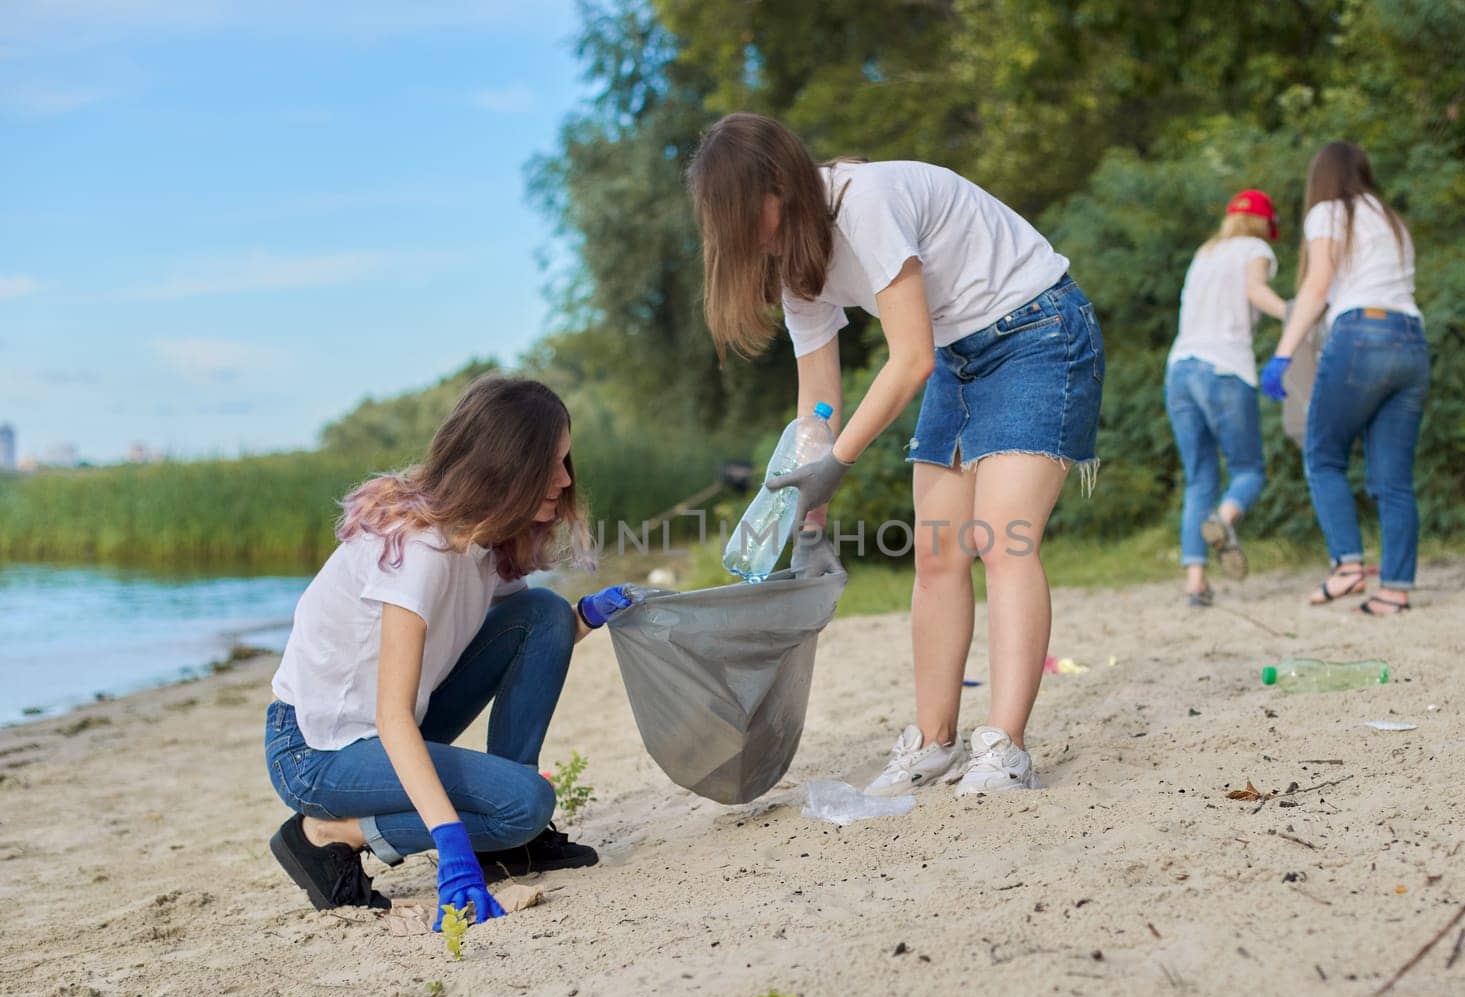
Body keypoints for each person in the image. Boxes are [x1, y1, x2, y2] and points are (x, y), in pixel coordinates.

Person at [687, 113, 1103, 797]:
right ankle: (934, 741)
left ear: (779, 187)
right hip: (958, 360)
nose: (739, 236)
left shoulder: (863, 203)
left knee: (1005, 539)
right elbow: (818, 399)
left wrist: (837, 465)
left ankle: (1004, 746)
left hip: (1036, 333)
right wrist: (805, 503)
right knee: (938, 555)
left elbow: (909, 359)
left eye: (741, 214)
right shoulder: (794, 267)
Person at [263, 375, 633, 926]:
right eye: (550, 463)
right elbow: (392, 717)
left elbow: (527, 639)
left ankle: (508, 839)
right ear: (506, 466)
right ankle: (329, 834)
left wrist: (586, 618)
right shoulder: (423, 551)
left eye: (565, 460)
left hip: (388, 728)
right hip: (317, 753)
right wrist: (453, 844)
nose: (563, 479)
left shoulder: (481, 541)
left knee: (544, 612)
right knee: (526, 804)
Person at [1262, 142, 1427, 615]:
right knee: (1393, 478)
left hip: (1360, 336)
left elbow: (1317, 287)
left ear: (1323, 177)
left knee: (1323, 453)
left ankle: (1348, 566)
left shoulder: (1329, 213)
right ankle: (1394, 590)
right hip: (1412, 340)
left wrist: (1282, 355)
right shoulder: (1391, 219)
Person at [1164, 189, 1287, 606]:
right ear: (1263, 226)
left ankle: (1195, 583)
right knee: (1249, 471)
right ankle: (1223, 518)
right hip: (1225, 368)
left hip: (1180, 370)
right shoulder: (1256, 249)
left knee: (1200, 478)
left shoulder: (1205, 253)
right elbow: (1255, 290)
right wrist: (1295, 311)